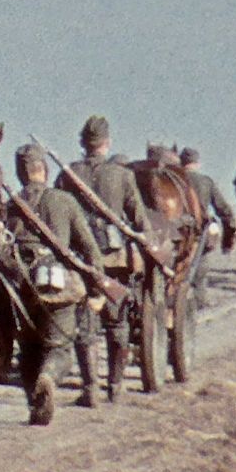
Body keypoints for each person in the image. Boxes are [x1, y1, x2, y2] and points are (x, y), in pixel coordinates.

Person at [1, 142, 102, 422]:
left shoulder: (9, 205)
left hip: (20, 288)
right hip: (58, 286)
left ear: (20, 173)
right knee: (59, 347)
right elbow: (89, 247)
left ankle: (36, 408)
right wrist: (96, 287)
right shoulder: (64, 201)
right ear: (43, 169)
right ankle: (48, 377)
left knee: (29, 350)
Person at [58, 115, 146, 404]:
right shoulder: (122, 175)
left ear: (83, 144)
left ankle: (90, 389)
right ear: (107, 144)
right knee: (117, 324)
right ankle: (116, 386)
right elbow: (138, 219)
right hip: (114, 258)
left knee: (86, 326)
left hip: (81, 259)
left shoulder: (68, 173)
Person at [179, 147, 236, 309]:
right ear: (197, 163)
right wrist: (229, 234)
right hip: (199, 231)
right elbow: (224, 210)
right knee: (201, 267)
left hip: (176, 230)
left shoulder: (173, 178)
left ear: (181, 162)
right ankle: (199, 301)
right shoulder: (205, 181)